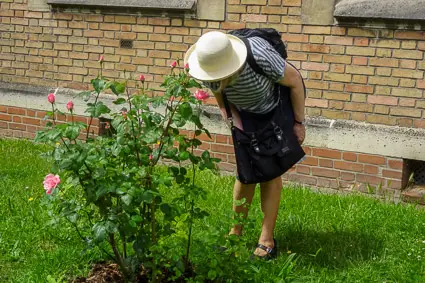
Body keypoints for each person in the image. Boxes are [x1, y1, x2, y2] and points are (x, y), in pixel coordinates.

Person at [184, 31, 306, 259]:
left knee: (270, 173)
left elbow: (295, 81)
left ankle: (266, 240)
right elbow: (216, 88)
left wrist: (298, 123)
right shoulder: (202, 62)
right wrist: (227, 113)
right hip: (242, 114)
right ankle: (235, 235)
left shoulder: (259, 56)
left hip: (274, 110)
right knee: (245, 174)